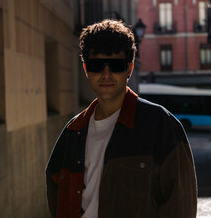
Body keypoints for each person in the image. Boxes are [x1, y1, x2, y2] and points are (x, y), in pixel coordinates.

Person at [46, 19, 197, 218]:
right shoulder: (73, 131)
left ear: (129, 68)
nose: (106, 74)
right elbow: (56, 193)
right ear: (86, 69)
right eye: (96, 65)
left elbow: (180, 205)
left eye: (116, 65)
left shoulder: (161, 126)